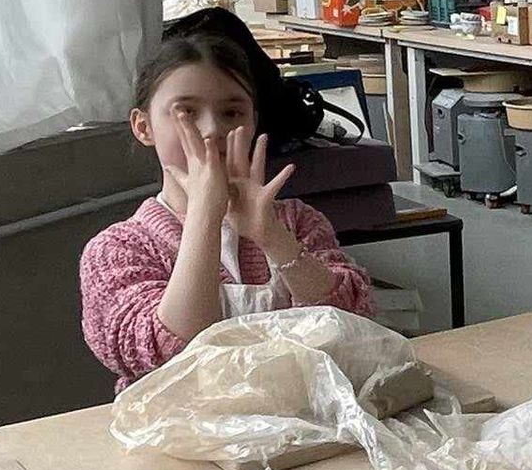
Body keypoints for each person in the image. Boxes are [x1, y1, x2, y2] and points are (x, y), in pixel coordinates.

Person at [81, 24, 374, 388]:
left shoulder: (296, 221)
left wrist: (272, 236)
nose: (211, 130)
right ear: (144, 127)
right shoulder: (119, 249)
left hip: (298, 414)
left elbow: (353, 322)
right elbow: (162, 353)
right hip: (183, 422)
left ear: (253, 121)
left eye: (232, 113)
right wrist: (205, 215)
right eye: (186, 112)